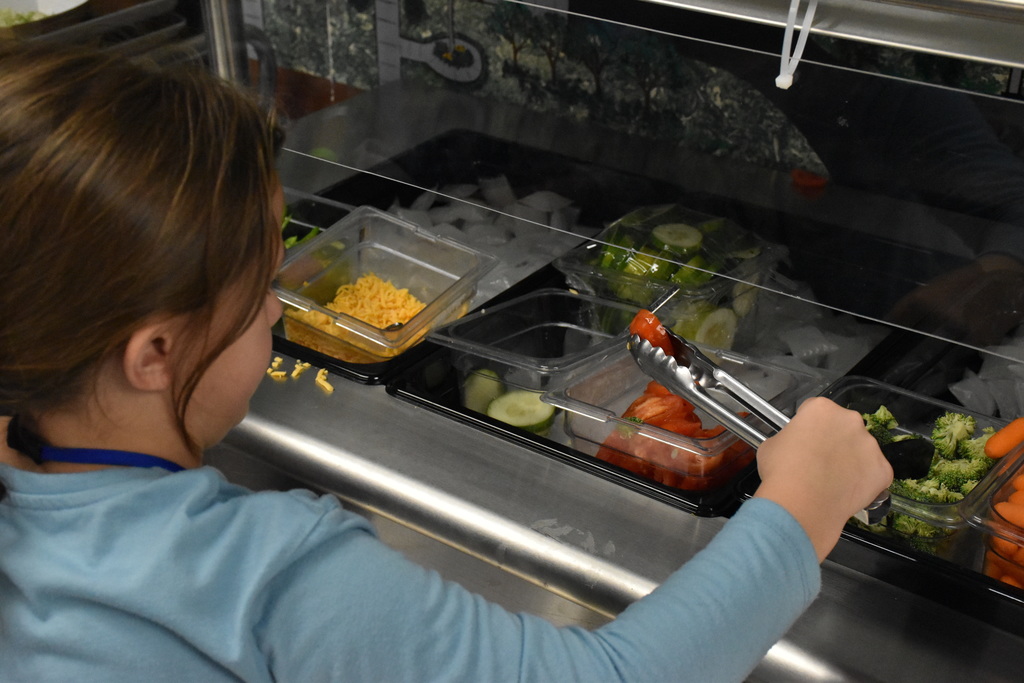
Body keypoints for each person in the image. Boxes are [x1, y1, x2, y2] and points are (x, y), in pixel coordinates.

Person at [0, 41, 892, 682]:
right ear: (154, 353)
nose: (276, 307)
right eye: (257, 288)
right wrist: (798, 508)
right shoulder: (269, 579)